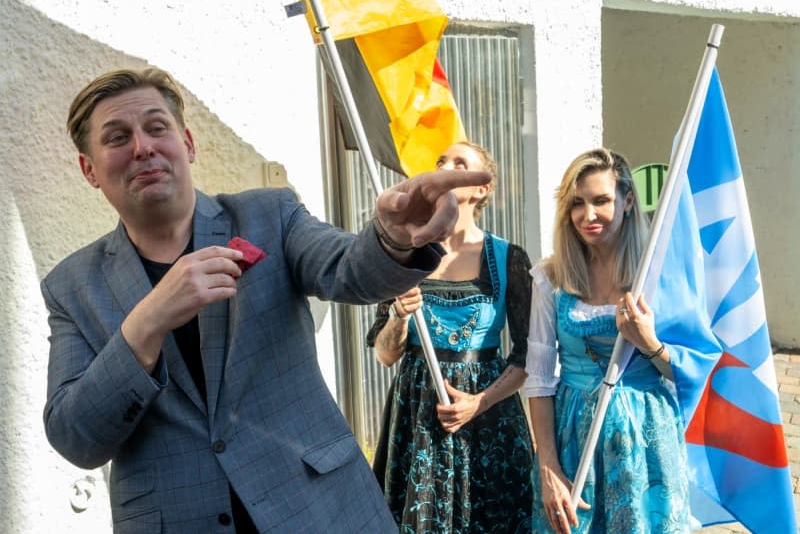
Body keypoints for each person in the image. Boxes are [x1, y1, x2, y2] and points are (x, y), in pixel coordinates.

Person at [41, 67, 492, 533]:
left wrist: (393, 240)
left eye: (157, 127)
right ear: (89, 169)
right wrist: (147, 322)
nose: (142, 147)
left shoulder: (267, 216)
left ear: (188, 144)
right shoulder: (72, 287)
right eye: (117, 137)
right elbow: (76, 437)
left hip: (320, 511)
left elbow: (347, 270)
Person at [367, 141, 534, 534]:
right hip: (419, 411)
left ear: (482, 189)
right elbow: (386, 355)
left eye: (461, 163)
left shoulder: (509, 257)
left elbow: (527, 353)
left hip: (488, 414)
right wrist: (398, 318)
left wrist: (480, 402)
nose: (446, 166)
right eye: (441, 161)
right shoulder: (405, 255)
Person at [523, 148, 690, 533]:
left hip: (645, 435)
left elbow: (689, 372)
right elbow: (539, 377)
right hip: (571, 435)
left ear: (628, 200)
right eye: (577, 204)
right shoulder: (551, 277)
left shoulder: (659, 271)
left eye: (601, 201)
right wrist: (547, 463)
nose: (588, 215)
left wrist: (649, 343)